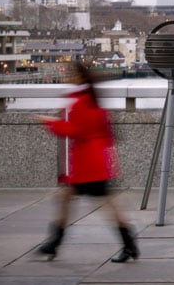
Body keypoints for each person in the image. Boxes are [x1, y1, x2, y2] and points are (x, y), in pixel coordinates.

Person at [36, 61, 139, 263]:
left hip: (89, 164)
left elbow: (76, 130)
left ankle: (128, 244)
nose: (66, 77)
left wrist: (49, 123)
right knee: (75, 198)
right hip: (94, 161)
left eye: (69, 73)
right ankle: (55, 243)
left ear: (79, 78)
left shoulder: (82, 102)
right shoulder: (90, 99)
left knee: (102, 203)